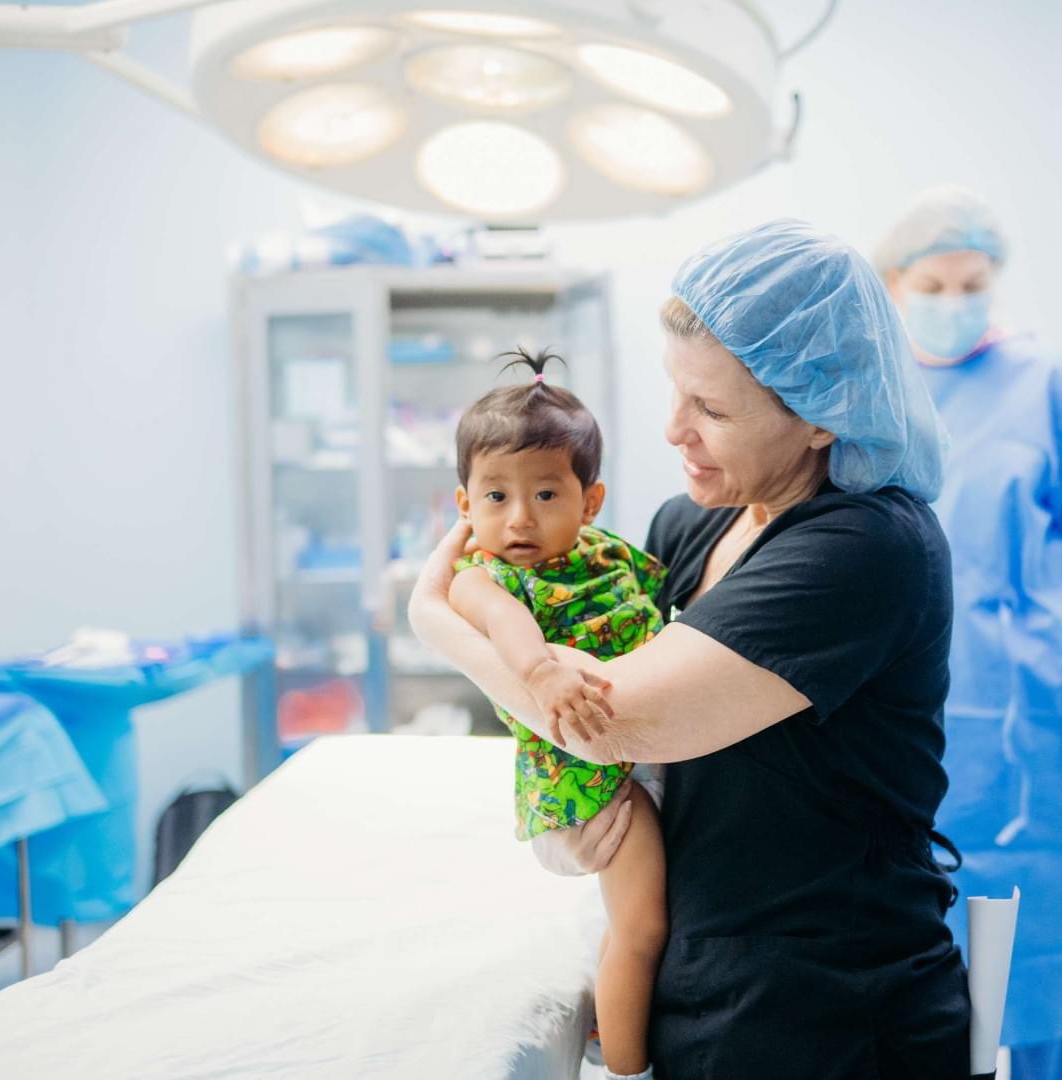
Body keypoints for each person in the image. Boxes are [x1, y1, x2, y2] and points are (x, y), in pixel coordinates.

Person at [410, 219, 976, 1079]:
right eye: (676, 391)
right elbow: (584, 688)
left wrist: (443, 622)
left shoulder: (865, 547)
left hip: (829, 1008)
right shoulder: (693, 520)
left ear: (820, 419)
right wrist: (575, 819)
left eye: (711, 409)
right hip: (702, 973)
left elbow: (609, 716)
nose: (675, 430)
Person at [877, 186, 1062, 1080]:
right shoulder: (875, 395)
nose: (955, 302)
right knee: (917, 954)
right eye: (935, 284)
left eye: (972, 283)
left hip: (1026, 712)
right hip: (904, 699)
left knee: (1038, 953)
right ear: (894, 281)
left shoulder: (1041, 383)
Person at [448, 347, 668, 1080]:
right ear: (464, 506)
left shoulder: (608, 555)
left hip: (638, 756)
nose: (519, 519)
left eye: (545, 495)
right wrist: (544, 673)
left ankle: (613, 1032)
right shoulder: (485, 579)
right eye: (495, 497)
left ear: (590, 501)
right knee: (643, 928)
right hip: (582, 774)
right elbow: (507, 627)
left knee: (625, 927)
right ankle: (628, 1073)